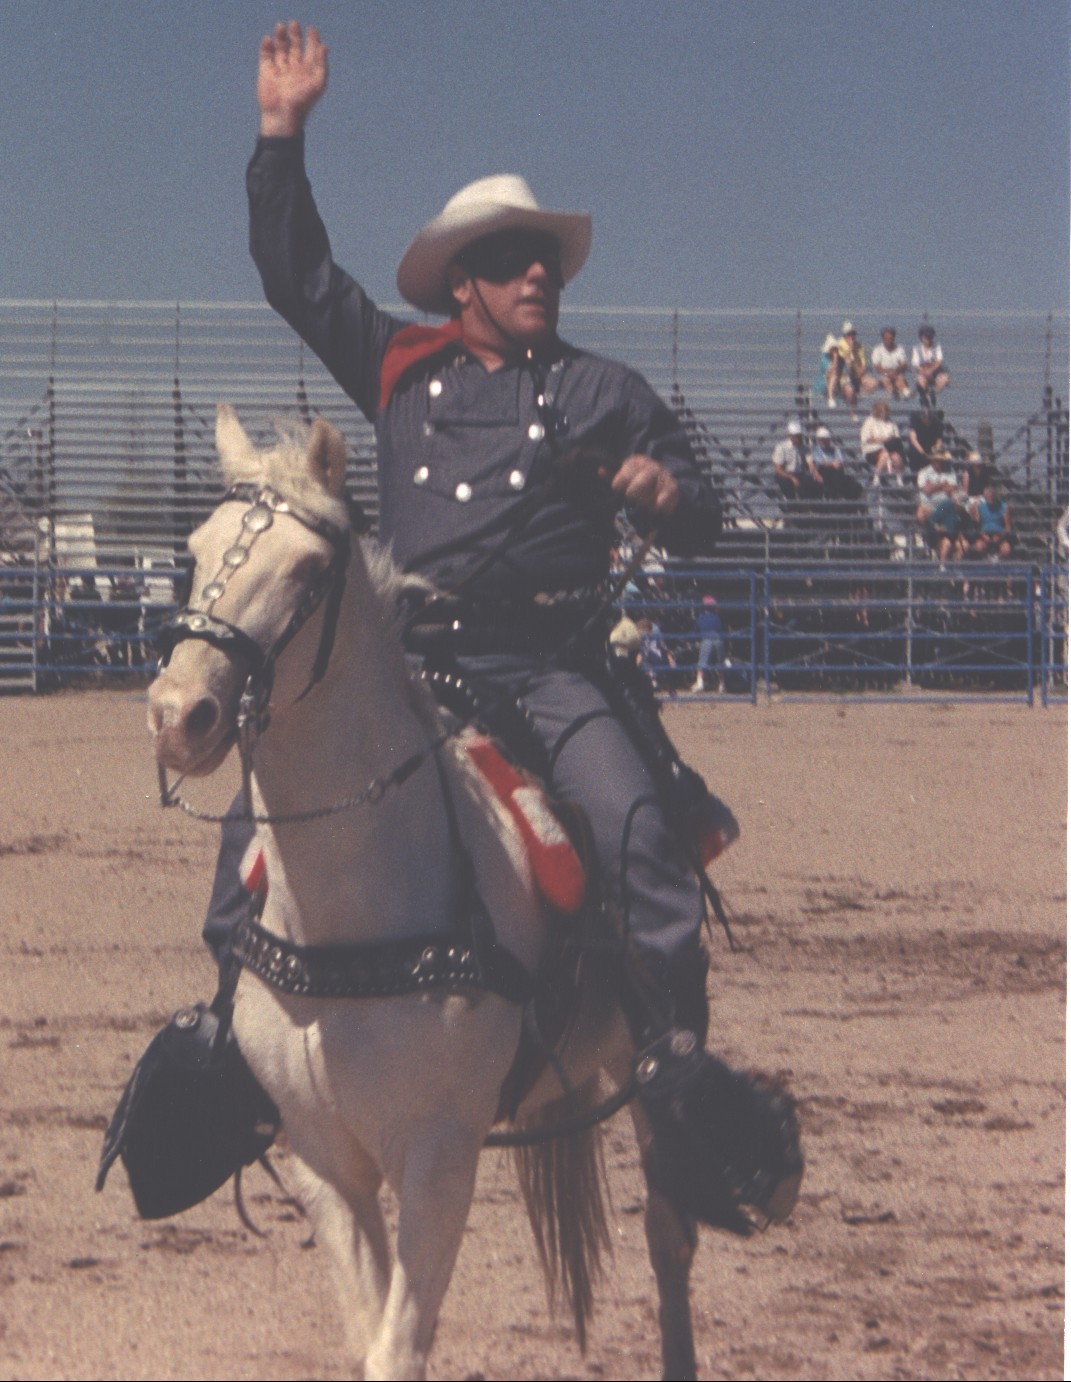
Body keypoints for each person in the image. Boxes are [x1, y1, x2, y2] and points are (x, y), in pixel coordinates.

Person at [209, 23, 734, 1087]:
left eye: (542, 257)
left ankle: (679, 1068)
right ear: (461, 286)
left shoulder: (605, 389)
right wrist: (280, 131)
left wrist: (669, 496)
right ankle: (226, 1049)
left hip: (553, 662)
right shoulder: (401, 362)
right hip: (415, 659)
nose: (535, 271)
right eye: (506, 259)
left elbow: (704, 511)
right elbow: (296, 274)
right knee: (255, 816)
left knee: (636, 824)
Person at [771, 418, 822, 500]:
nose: (798, 439)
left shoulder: (804, 448)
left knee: (812, 482)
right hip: (785, 475)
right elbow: (778, 469)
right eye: (795, 436)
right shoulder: (781, 447)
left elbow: (811, 464)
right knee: (787, 483)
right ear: (790, 436)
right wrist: (791, 478)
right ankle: (791, 504)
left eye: (799, 436)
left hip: (799, 473)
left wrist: (816, 475)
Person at [834, 321, 876, 411]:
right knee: (850, 390)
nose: (851, 336)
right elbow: (845, 361)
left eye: (853, 334)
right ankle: (853, 410)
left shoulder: (859, 346)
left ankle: (859, 395)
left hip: (857, 374)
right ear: (844, 335)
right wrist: (850, 348)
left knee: (873, 383)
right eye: (849, 334)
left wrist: (860, 373)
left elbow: (863, 363)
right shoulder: (839, 345)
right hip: (844, 375)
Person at [859, 400, 904, 482]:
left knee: (896, 457)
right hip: (872, 450)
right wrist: (883, 439)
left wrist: (889, 439)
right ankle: (876, 479)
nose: (885, 413)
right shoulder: (869, 421)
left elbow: (896, 437)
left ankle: (899, 479)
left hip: (889, 447)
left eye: (886, 411)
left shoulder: (891, 422)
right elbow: (866, 439)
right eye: (883, 411)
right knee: (885, 454)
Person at [912, 323, 950, 406]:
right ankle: (925, 397)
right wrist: (925, 372)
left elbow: (939, 361)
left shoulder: (937, 347)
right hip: (923, 373)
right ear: (921, 337)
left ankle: (933, 393)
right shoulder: (916, 348)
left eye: (930, 337)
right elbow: (916, 364)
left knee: (945, 379)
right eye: (926, 337)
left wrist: (931, 371)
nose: (928, 339)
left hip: (936, 372)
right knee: (921, 380)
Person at [870, 327, 910, 400]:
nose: (889, 340)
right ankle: (893, 395)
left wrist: (896, 372)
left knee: (900, 380)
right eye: (886, 338)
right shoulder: (877, 349)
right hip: (883, 375)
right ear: (883, 339)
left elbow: (903, 364)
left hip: (896, 373)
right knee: (886, 380)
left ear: (894, 338)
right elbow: (877, 367)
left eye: (891, 338)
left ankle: (907, 394)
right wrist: (887, 373)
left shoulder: (899, 349)